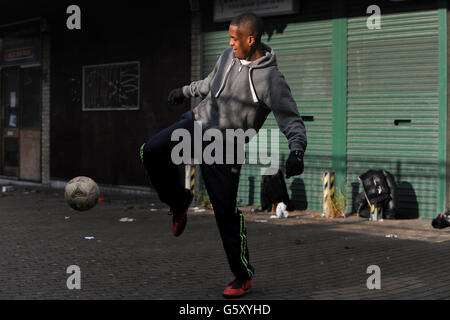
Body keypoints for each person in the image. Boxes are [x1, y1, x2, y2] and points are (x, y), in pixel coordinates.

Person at [141, 12, 307, 298]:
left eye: (234, 38)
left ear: (250, 39)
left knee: (225, 212)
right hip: (197, 123)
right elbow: (210, 83)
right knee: (150, 151)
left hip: (226, 145)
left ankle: (242, 276)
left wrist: (297, 150)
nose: (230, 43)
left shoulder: (270, 79)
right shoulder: (226, 57)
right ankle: (178, 200)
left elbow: (290, 118)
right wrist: (185, 91)